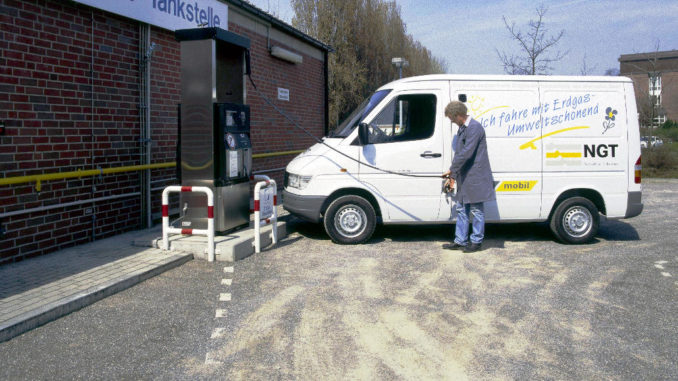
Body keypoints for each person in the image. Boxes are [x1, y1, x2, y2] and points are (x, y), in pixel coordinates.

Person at [442, 101, 495, 252]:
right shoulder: (463, 128)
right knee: (461, 208)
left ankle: (476, 242)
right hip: (465, 176)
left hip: (475, 176)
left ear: (458, 115)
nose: (452, 121)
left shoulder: (474, 128)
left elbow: (466, 153)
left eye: (452, 118)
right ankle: (460, 240)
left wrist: (452, 170)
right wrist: (453, 174)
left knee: (476, 210)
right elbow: (461, 153)